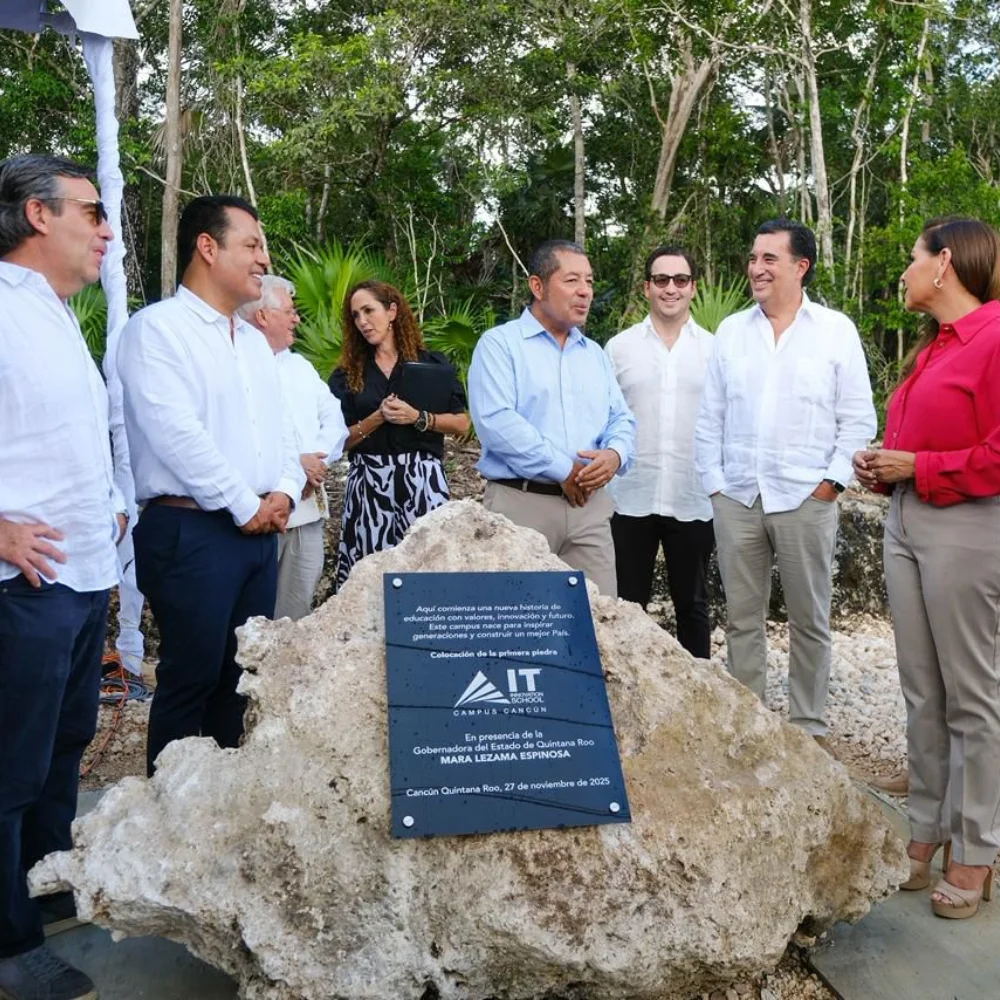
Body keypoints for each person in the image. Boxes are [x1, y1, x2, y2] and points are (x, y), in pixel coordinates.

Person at [117, 195, 304, 776]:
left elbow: (282, 434)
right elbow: (176, 434)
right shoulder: (156, 330)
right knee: (191, 677)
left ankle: (222, 812)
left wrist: (285, 491)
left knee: (240, 678)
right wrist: (245, 503)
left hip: (256, 534)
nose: (262, 258)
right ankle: (168, 818)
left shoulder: (252, 342)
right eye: (251, 244)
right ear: (207, 246)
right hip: (190, 530)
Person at [0, 154, 123, 1000]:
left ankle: (41, 894)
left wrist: (109, 504)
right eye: (93, 212)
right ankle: (9, 946)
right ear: (39, 216)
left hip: (81, 580)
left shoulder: (51, 315)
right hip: (22, 591)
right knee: (8, 770)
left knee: (59, 755)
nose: (106, 230)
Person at [853, 217, 1000, 919]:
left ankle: (975, 850)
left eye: (912, 259)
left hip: (969, 527)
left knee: (972, 698)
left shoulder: (996, 339)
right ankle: (925, 830)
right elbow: (922, 441)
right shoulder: (932, 349)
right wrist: (885, 464)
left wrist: (923, 465)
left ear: (944, 264)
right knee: (922, 692)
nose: (904, 272)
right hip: (907, 520)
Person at [695, 218, 876, 739]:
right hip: (738, 496)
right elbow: (710, 418)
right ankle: (748, 726)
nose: (756, 268)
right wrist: (714, 483)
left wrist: (831, 484)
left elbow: (858, 420)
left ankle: (807, 729)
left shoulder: (836, 332)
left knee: (810, 620)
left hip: (805, 497)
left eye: (769, 259)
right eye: (753, 258)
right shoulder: (730, 331)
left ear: (802, 267)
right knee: (741, 619)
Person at [468, 240, 636, 597]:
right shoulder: (500, 345)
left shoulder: (593, 354)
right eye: (572, 280)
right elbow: (497, 422)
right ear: (537, 286)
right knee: (517, 624)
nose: (585, 292)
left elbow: (620, 417)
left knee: (599, 624)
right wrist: (564, 470)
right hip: (522, 506)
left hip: (589, 510)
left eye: (589, 281)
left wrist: (615, 454)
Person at [605, 245, 714, 656]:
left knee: (694, 605)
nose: (672, 288)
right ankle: (622, 694)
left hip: (693, 493)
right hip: (630, 493)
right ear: (647, 287)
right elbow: (604, 416)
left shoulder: (714, 350)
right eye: (662, 280)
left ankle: (700, 695)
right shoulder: (618, 348)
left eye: (681, 280)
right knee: (625, 605)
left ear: (693, 288)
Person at [329, 280, 469, 588]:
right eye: (355, 315)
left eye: (369, 310)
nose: (362, 321)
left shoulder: (432, 365)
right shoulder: (347, 375)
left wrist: (418, 418)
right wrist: (378, 417)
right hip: (369, 484)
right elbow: (337, 441)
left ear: (392, 311)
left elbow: (461, 424)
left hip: (422, 479)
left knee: (428, 574)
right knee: (366, 579)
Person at [239, 275, 348, 620]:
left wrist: (316, 460)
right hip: (259, 512)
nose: (297, 319)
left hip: (308, 510)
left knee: (296, 610)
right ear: (263, 316)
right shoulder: (236, 362)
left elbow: (334, 420)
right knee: (252, 615)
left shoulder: (299, 367)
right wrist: (293, 463)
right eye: (289, 311)